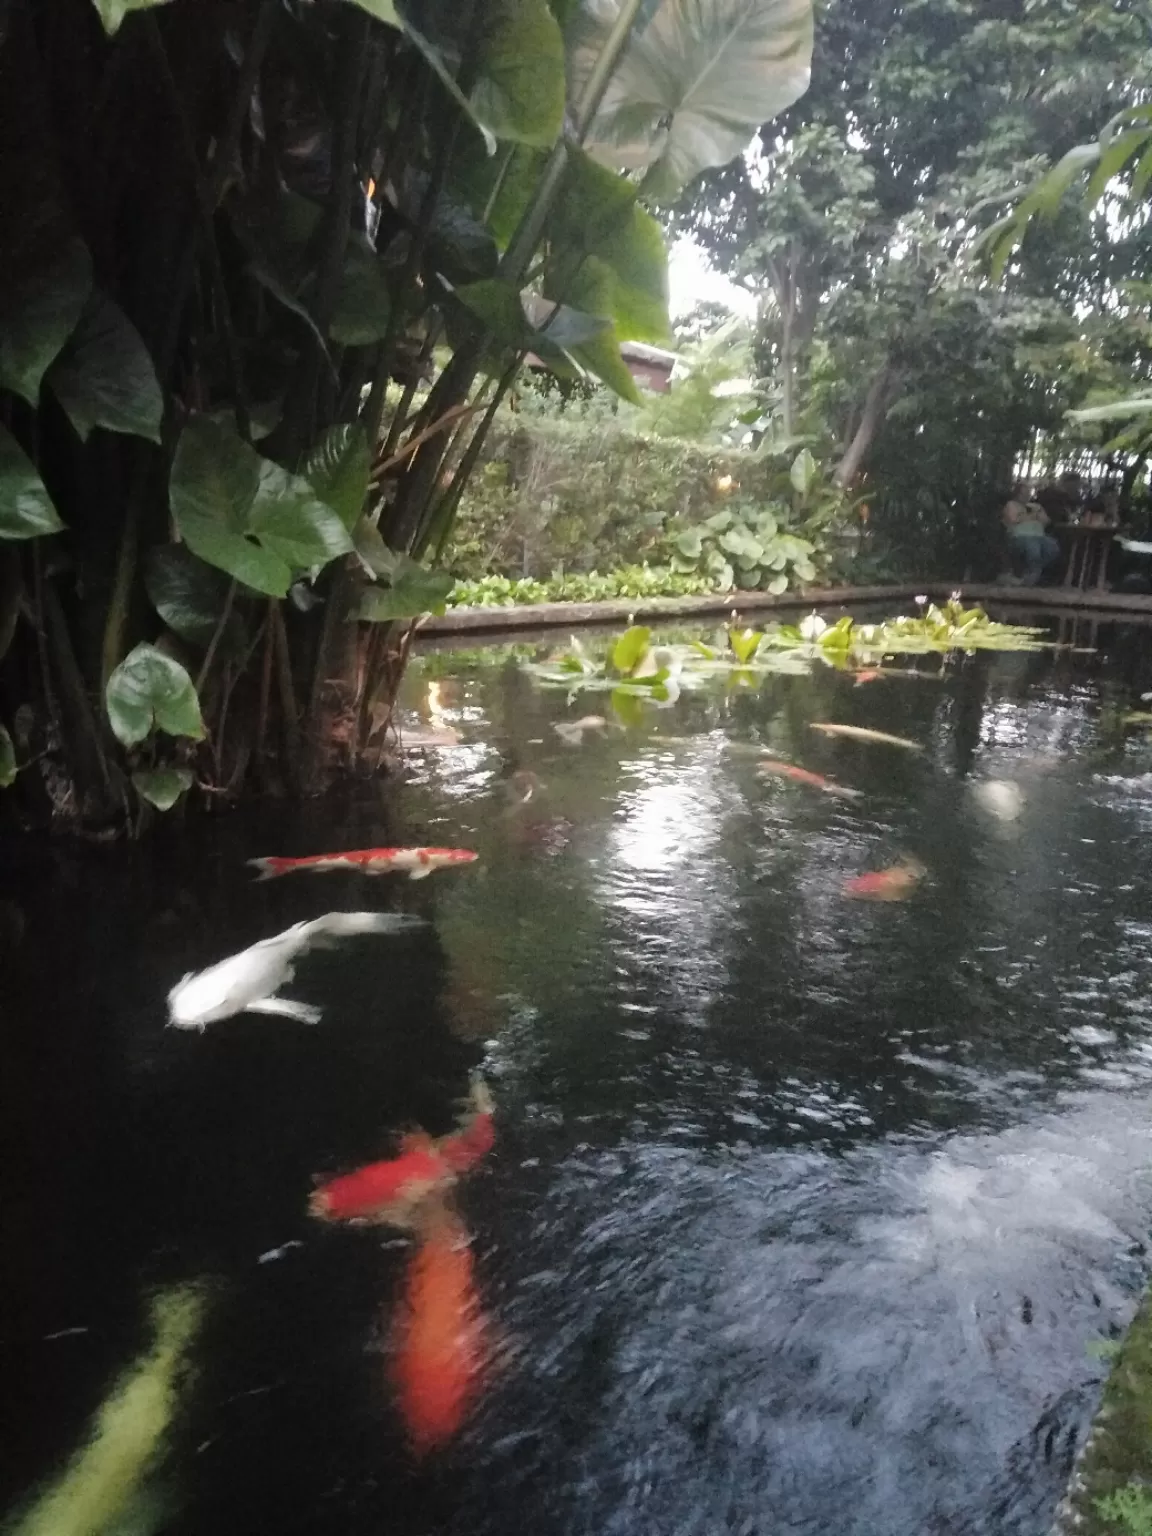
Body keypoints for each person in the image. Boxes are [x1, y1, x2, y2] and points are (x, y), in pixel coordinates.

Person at [1001, 484, 1060, 585]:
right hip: (1020, 536)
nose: (1026, 495)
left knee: (1053, 547)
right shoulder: (1011, 505)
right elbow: (1013, 519)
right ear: (1017, 494)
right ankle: (1031, 576)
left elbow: (1046, 520)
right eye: (1024, 493)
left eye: (1028, 493)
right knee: (1033, 547)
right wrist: (1033, 515)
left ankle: (1032, 575)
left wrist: (1030, 516)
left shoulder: (1036, 506)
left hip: (1040, 536)